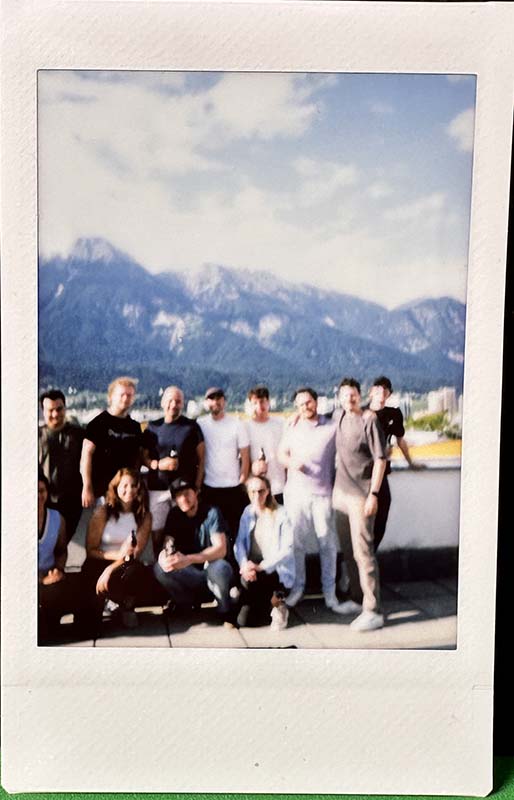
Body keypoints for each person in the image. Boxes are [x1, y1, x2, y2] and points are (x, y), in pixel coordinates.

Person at [277, 387, 344, 613]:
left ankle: (329, 593)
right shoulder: (292, 426)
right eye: (300, 404)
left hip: (323, 494)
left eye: (308, 402)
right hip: (296, 494)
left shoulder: (331, 426)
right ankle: (298, 589)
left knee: (327, 543)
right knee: (297, 543)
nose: (305, 407)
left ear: (316, 402)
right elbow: (281, 454)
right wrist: (291, 463)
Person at [332, 378, 387, 631]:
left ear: (359, 395)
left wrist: (373, 494)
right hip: (340, 495)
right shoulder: (339, 416)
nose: (349, 399)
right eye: (345, 395)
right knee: (348, 551)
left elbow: (380, 459)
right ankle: (357, 598)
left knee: (363, 553)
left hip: (361, 496)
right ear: (340, 398)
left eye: (353, 394)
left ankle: (373, 610)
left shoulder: (369, 420)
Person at [153, 479, 236, 626]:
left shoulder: (211, 512)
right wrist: (164, 556)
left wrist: (189, 559)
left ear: (196, 493)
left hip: (211, 570)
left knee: (219, 567)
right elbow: (168, 542)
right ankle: (185, 602)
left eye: (187, 493)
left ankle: (225, 609)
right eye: (179, 496)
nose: (183, 499)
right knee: (159, 569)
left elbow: (221, 549)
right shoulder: (174, 514)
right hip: (190, 573)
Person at [81, 468, 152, 630]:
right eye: (124, 485)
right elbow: (91, 550)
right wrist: (115, 558)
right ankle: (102, 604)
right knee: (87, 627)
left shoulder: (144, 516)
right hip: (100, 559)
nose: (129, 490)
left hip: (126, 564)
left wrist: (110, 569)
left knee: (135, 570)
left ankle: (124, 605)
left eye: (133, 485)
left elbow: (135, 553)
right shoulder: (103, 512)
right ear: (116, 487)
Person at [142, 385, 205, 552]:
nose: (173, 405)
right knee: (157, 532)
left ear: (182, 404)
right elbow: (143, 457)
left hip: (183, 489)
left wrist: (197, 486)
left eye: (178, 401)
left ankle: (184, 565)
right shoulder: (152, 427)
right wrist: (158, 464)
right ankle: (160, 564)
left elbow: (202, 459)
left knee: (184, 531)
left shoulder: (191, 427)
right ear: (162, 403)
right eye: (170, 400)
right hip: (158, 489)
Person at [367, 375, 425, 550]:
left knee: (382, 513)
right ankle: (359, 559)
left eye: (386, 389)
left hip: (381, 473)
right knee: (361, 519)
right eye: (378, 388)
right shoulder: (361, 413)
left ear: (389, 394)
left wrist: (411, 463)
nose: (382, 392)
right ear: (371, 392)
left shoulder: (394, 414)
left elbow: (401, 441)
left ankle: (371, 552)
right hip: (362, 474)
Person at [234, 475, 294, 627]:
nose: (257, 496)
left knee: (260, 611)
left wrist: (261, 566)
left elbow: (287, 550)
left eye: (261, 491)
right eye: (252, 492)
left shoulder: (281, 513)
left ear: (268, 491)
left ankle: (278, 604)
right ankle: (266, 603)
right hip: (253, 570)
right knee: (244, 621)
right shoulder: (248, 512)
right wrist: (244, 565)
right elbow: (239, 543)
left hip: (274, 570)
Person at [197, 387, 250, 544]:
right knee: (211, 534)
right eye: (211, 399)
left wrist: (242, 481)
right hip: (209, 488)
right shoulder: (200, 424)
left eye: (219, 398)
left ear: (224, 401)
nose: (216, 402)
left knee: (235, 532)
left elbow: (245, 457)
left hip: (233, 488)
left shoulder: (237, 424)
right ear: (206, 403)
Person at [80, 377, 143, 507]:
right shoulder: (98, 424)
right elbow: (86, 456)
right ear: (111, 397)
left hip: (125, 493)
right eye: (122, 394)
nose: (125, 398)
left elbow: (137, 459)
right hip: (100, 492)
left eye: (129, 395)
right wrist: (87, 487)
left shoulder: (135, 427)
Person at [38, 389, 84, 542]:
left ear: (65, 408)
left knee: (63, 544)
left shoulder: (79, 435)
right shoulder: (35, 437)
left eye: (59, 409)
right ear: (43, 411)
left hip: (71, 503)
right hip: (44, 502)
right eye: (50, 410)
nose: (55, 414)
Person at [38, 474, 74, 643]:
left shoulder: (57, 518)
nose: (38, 495)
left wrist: (58, 570)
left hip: (50, 577)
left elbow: (61, 551)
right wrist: (40, 580)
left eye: (41, 490)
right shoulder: (15, 519)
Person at [246, 385, 286, 504]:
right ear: (250, 405)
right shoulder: (245, 427)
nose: (260, 406)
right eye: (255, 403)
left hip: (279, 486)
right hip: (256, 490)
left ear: (268, 402)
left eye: (262, 401)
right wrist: (252, 468)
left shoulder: (281, 423)